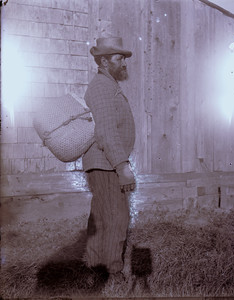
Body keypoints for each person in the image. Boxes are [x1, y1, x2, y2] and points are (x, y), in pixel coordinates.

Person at [82, 37, 136, 276]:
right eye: (118, 58)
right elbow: (105, 130)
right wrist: (122, 166)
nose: (123, 62)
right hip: (106, 165)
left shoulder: (107, 84)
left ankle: (95, 266)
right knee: (117, 218)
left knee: (102, 217)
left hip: (104, 164)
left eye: (123, 57)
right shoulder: (102, 87)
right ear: (103, 61)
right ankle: (112, 271)